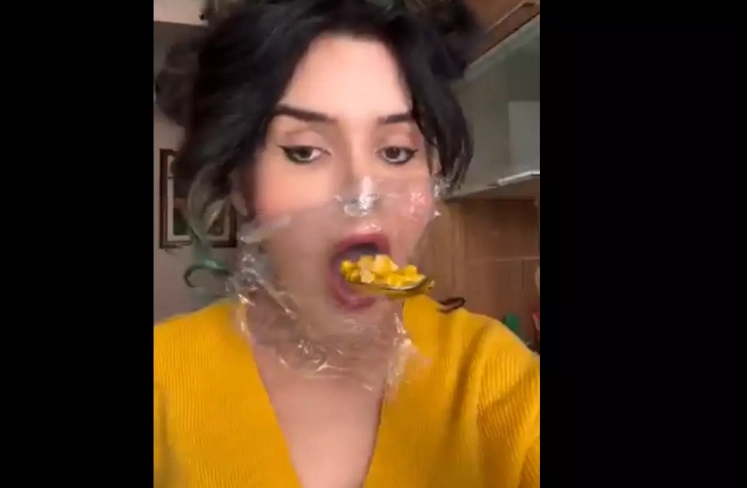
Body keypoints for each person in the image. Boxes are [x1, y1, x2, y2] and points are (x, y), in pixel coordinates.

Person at [154, 1, 540, 487]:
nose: (362, 194)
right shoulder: (164, 379)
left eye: (396, 151)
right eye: (304, 151)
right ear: (238, 183)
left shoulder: (490, 375)